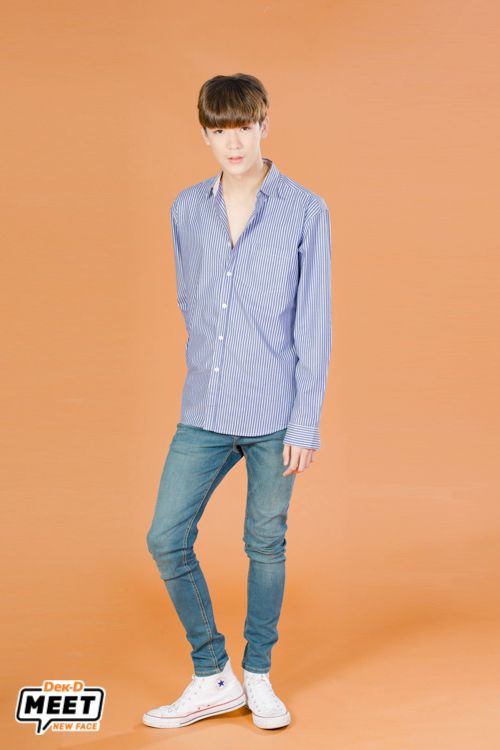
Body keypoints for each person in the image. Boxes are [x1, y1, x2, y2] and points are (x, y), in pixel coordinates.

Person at [143, 73, 332, 730]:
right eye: (220, 130)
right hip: (204, 408)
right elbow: (188, 296)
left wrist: (305, 421)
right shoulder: (185, 209)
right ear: (205, 134)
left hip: (274, 416)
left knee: (265, 544)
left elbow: (313, 323)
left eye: (244, 128)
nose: (234, 143)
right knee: (166, 537)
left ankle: (258, 673)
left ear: (264, 126)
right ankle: (212, 673)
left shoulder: (306, 210)